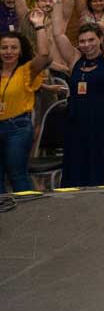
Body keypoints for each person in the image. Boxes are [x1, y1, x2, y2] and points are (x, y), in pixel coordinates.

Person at [49, 0, 104, 188]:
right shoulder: (74, 59)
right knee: (74, 168)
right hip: (75, 121)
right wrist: (57, 5)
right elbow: (57, 34)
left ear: (100, 39)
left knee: (97, 170)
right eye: (82, 41)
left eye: (91, 40)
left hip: (101, 123)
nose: (86, 45)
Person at [0, 10, 53, 192]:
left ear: (20, 50)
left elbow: (45, 55)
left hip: (18, 128)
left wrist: (39, 26)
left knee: (17, 174)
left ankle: (27, 216)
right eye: (4, 47)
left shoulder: (26, 71)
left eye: (13, 48)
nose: (8, 52)